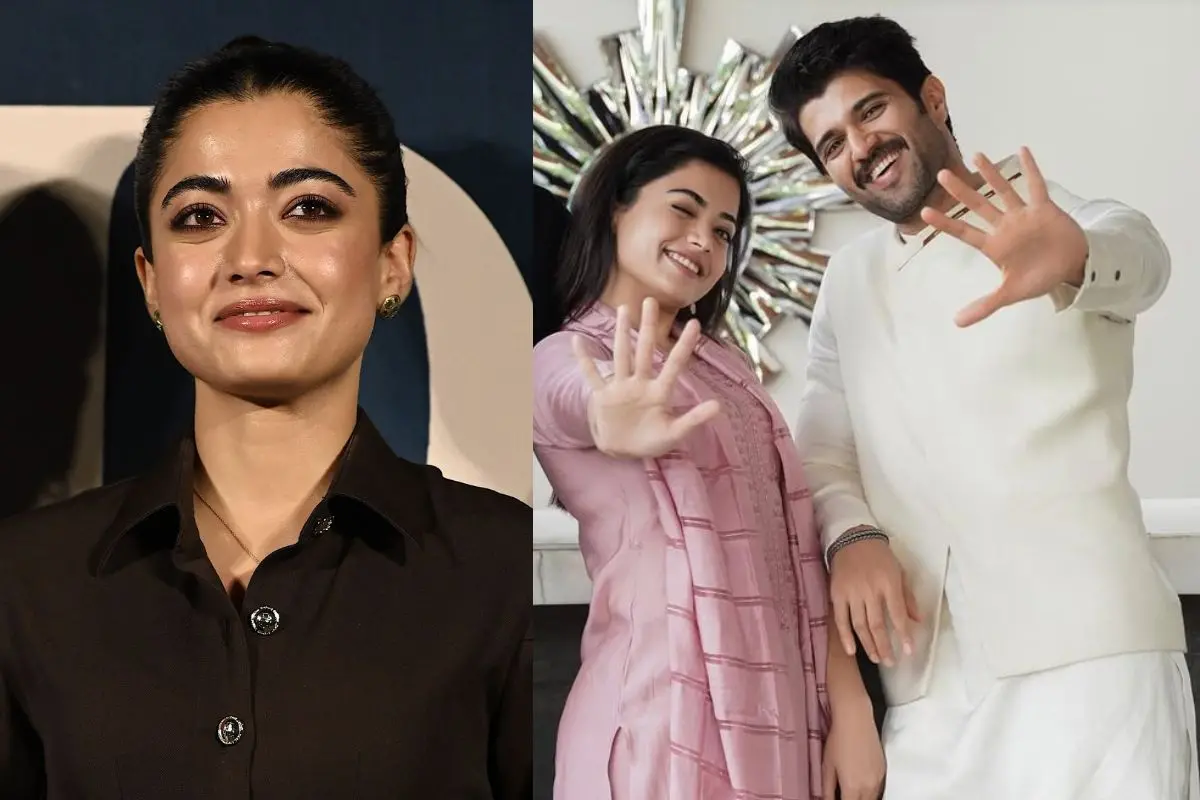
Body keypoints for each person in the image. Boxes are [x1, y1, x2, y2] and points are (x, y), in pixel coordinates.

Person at [0, 37, 530, 799]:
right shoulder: (25, 585)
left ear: (393, 262)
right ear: (152, 282)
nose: (251, 255)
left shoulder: (498, 575)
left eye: (308, 207)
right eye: (199, 216)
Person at [768, 15, 1196, 799]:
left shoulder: (1044, 212)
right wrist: (852, 534)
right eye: (831, 143)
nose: (859, 148)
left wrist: (1074, 257)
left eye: (871, 111)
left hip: (1094, 656)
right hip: (927, 680)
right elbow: (824, 448)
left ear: (932, 98)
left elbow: (1143, 256)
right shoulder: (849, 282)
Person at [533, 124, 883, 800]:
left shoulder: (728, 373)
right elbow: (567, 399)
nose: (704, 240)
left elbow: (799, 551)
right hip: (653, 731)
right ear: (616, 208)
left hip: (782, 720)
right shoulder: (571, 355)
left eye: (723, 230)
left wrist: (851, 708)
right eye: (683, 208)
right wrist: (609, 416)